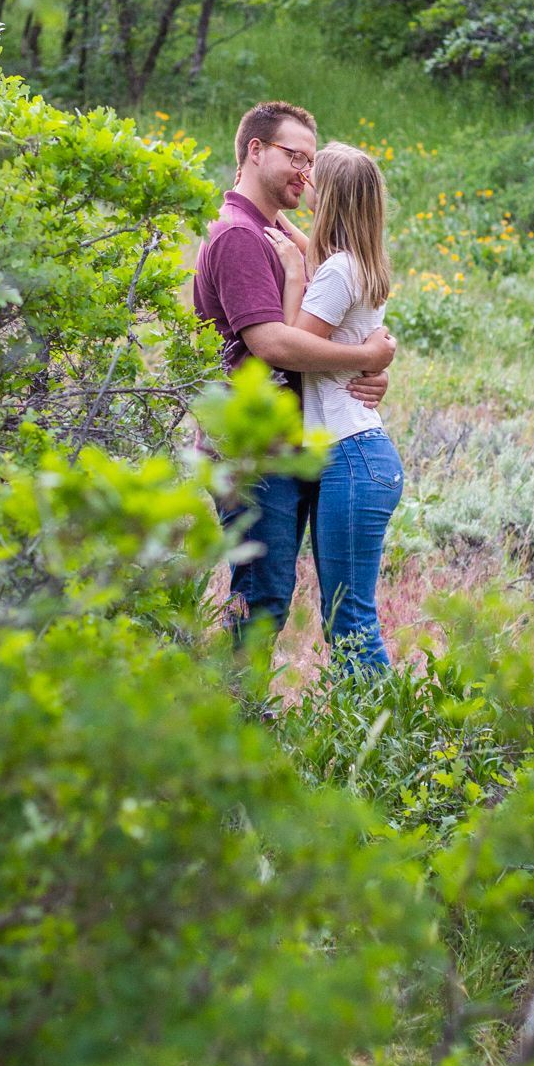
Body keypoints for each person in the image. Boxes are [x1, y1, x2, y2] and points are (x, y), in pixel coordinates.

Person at [192, 101, 395, 639]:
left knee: (278, 599)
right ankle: (233, 714)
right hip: (254, 450)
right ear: (254, 151)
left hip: (295, 445)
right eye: (294, 156)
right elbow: (273, 343)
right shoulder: (239, 235)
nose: (304, 172)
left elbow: (343, 307)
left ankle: (242, 712)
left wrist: (374, 362)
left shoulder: (273, 230)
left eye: (312, 161)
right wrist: (367, 359)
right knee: (261, 599)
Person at [267, 142, 403, 672]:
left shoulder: (336, 272)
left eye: (313, 178)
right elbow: (323, 264)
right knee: (343, 617)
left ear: (332, 198)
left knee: (350, 619)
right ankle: (372, 733)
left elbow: (294, 348)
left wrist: (295, 279)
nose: (304, 181)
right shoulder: (358, 262)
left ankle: (381, 737)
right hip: (359, 455)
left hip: (351, 457)